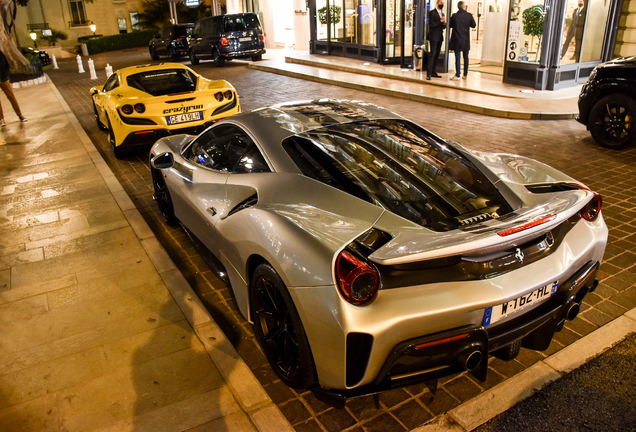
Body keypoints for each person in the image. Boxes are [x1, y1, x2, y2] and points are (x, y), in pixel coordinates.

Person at [0, 48, 27, 127]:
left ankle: (20, 115)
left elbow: (6, 64)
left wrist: (6, 74)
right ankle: (1, 119)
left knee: (11, 97)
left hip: (3, 79)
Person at [449, 1, 476, 80]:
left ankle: (457, 74)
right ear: (464, 7)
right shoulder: (469, 15)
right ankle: (465, 74)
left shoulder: (454, 16)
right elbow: (473, 25)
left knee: (457, 57)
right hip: (465, 39)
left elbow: (450, 25)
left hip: (457, 39)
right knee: (466, 57)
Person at [426, 0, 446, 80]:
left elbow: (443, 27)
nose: (442, 5)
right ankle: (428, 73)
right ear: (437, 3)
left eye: (443, 4)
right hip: (433, 37)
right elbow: (431, 24)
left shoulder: (442, 13)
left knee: (437, 55)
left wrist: (444, 23)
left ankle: (434, 71)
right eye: (441, 3)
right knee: (432, 54)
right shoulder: (432, 13)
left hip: (439, 36)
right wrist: (440, 21)